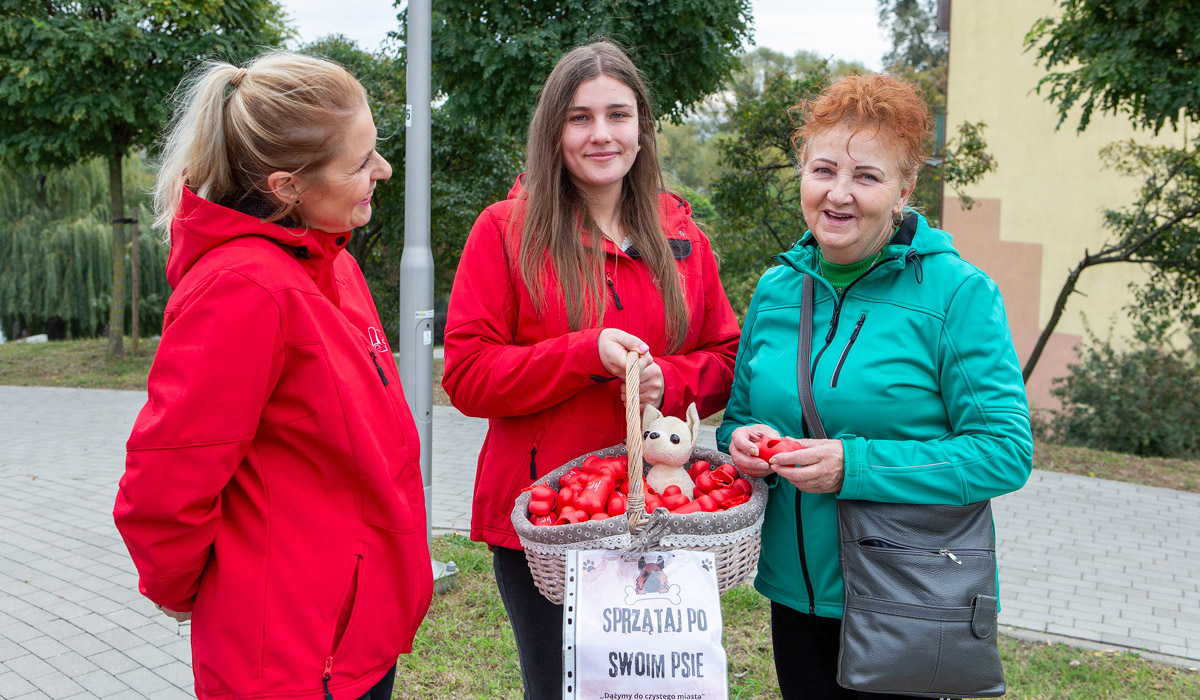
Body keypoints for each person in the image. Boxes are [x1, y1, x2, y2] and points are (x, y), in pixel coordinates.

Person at [113, 51, 433, 700]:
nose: (383, 170)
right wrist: (183, 592)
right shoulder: (244, 288)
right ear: (288, 186)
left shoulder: (328, 261)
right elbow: (166, 485)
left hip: (353, 637)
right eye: (359, 162)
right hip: (289, 657)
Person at [717, 73, 1033, 700]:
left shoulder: (957, 295)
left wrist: (855, 466)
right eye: (823, 170)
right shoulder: (778, 290)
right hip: (794, 590)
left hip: (905, 596)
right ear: (802, 173)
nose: (839, 194)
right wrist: (744, 443)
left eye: (866, 176)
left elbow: (1004, 451)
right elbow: (737, 417)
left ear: (904, 190)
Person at [442, 40, 740, 700]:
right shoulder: (505, 231)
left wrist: (672, 379)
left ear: (642, 127)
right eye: (579, 118)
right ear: (553, 130)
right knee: (561, 691)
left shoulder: (684, 237)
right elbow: (467, 376)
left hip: (662, 510)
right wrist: (582, 353)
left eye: (618, 115)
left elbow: (726, 357)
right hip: (546, 521)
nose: (601, 134)